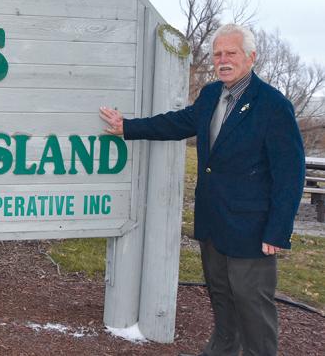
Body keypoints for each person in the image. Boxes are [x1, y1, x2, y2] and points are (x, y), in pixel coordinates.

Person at [99, 23, 304, 355]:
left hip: (252, 231)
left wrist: (278, 230)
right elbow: (178, 122)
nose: (223, 59)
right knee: (221, 300)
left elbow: (289, 174)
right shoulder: (211, 94)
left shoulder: (272, 105)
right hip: (213, 223)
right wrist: (128, 127)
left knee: (253, 310)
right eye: (218, 53)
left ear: (250, 57)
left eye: (231, 53)